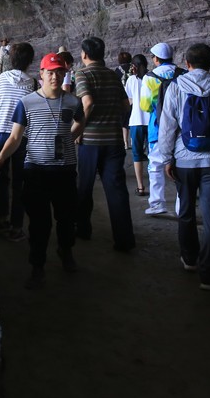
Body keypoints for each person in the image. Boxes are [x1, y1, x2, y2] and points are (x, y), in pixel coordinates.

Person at [0, 53, 85, 289]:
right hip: (36, 170)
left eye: (59, 72)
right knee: (39, 223)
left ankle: (66, 252)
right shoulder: (26, 103)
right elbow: (15, 136)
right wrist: (1, 158)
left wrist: (68, 137)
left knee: (66, 219)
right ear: (41, 74)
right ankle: (37, 266)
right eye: (50, 72)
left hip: (65, 170)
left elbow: (80, 121)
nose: (55, 76)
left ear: (65, 74)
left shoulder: (73, 102)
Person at [156, 43, 210, 290]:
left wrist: (167, 158)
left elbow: (168, 126)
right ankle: (209, 274)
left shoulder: (175, 87)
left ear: (187, 64)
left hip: (184, 160)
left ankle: (190, 258)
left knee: (186, 210)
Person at [74, 37, 135, 251]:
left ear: (84, 54)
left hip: (90, 142)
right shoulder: (112, 75)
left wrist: (79, 128)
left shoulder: (82, 74)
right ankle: (124, 239)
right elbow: (126, 105)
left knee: (85, 187)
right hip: (115, 141)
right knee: (116, 190)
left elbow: (87, 102)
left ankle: (82, 230)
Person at [0, 42, 38, 242]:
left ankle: (2, 220)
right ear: (30, 61)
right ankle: (16, 227)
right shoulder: (33, 84)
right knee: (19, 182)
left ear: (10, 59)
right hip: (21, 137)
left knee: (0, 178)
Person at [141, 42, 182, 216]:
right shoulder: (182, 74)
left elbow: (145, 105)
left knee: (155, 165)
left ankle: (157, 203)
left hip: (157, 127)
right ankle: (182, 206)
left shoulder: (150, 77)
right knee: (181, 166)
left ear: (156, 59)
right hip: (181, 128)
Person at [124, 54, 151, 196]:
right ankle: (155, 182)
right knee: (153, 154)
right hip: (151, 121)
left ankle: (141, 186)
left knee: (137, 155)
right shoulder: (151, 78)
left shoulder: (131, 80)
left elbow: (129, 100)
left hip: (136, 121)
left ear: (133, 66)